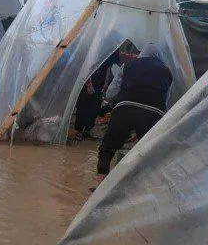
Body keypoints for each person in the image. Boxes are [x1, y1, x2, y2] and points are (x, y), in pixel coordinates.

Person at [95, 44, 173, 189]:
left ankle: (99, 187)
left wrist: (113, 106)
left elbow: (111, 93)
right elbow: (165, 100)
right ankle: (141, 190)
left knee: (107, 148)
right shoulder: (167, 72)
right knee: (149, 153)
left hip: (125, 109)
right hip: (153, 114)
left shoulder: (129, 65)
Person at [74, 51, 120, 141]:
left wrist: (106, 82)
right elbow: (86, 67)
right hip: (88, 81)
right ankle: (79, 130)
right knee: (83, 107)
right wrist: (88, 84)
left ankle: (88, 129)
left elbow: (108, 67)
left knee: (94, 108)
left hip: (99, 83)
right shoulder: (95, 49)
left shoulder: (110, 50)